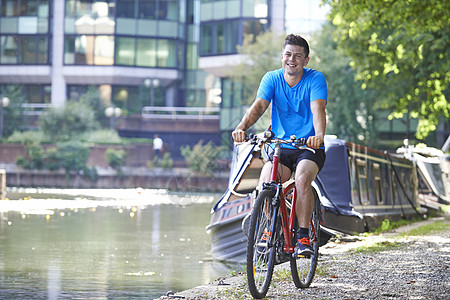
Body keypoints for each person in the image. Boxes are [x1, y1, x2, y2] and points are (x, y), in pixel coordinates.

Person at [232, 34, 327, 257]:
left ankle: (303, 236)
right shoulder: (272, 79)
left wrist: (319, 135)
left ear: (306, 60)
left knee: (302, 178)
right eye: (287, 55)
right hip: (281, 146)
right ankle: (270, 228)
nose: (291, 60)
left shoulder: (315, 79)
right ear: (281, 56)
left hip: (309, 147)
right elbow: (259, 106)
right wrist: (241, 128)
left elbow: (318, 109)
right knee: (267, 180)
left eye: (297, 56)